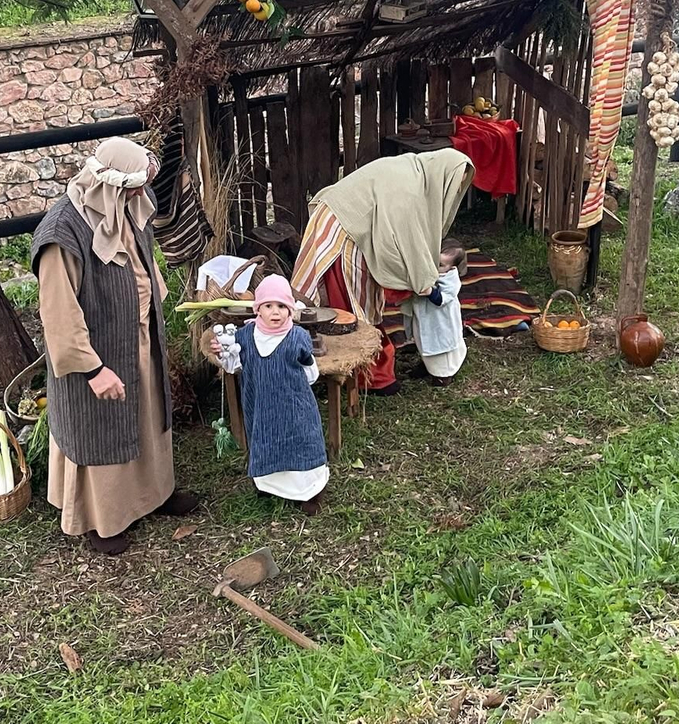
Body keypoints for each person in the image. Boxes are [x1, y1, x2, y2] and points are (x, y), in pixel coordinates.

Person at [31, 138, 198, 555]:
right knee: (101, 429)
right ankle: (102, 519)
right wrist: (91, 369)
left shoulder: (127, 207)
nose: (142, 195)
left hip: (138, 336)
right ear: (110, 184)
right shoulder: (61, 233)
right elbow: (59, 313)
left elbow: (144, 262)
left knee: (146, 416)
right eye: (134, 187)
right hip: (98, 350)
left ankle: (154, 497)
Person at [291, 149, 475, 393]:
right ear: (442, 174)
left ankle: (357, 369)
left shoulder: (415, 171)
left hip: (346, 224)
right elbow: (403, 238)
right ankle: (367, 375)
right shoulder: (409, 188)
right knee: (349, 307)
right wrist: (421, 278)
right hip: (342, 231)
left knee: (355, 302)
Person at [213, 275, 329, 514]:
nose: (275, 313)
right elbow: (232, 365)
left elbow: (311, 374)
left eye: (281, 307)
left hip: (295, 408)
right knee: (266, 440)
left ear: (290, 310)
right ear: (258, 309)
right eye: (268, 306)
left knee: (301, 443)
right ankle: (270, 484)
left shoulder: (297, 337)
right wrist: (223, 352)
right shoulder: (245, 337)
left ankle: (309, 491)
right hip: (261, 406)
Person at [402, 238, 468, 385]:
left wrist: (430, 291)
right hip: (425, 317)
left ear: (451, 267)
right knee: (424, 340)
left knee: (442, 348)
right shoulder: (428, 271)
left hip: (441, 320)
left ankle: (444, 375)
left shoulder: (451, 279)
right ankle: (428, 366)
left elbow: (442, 299)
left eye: (440, 265)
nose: (435, 267)